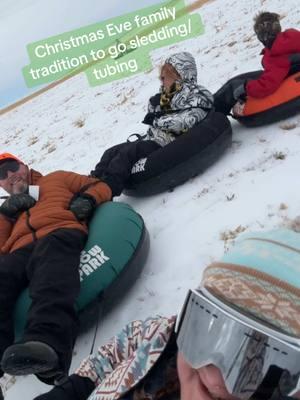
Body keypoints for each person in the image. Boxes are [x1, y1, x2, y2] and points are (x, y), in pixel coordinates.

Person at [34, 228, 300, 400]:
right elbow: (117, 348)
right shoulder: (164, 336)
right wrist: (75, 387)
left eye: (265, 363)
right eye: (208, 326)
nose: (212, 375)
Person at [0, 152, 112, 396]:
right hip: (18, 250)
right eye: (1, 174)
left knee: (51, 275)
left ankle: (46, 343)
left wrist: (89, 200)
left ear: (24, 165)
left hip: (58, 231)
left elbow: (98, 185)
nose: (9, 175)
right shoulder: (7, 211)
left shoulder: (56, 179)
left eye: (12, 166)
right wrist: (7, 213)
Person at [90, 51, 214, 197]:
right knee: (111, 152)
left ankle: (106, 190)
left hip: (169, 142)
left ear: (179, 75)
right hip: (154, 137)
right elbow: (158, 114)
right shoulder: (167, 95)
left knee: (128, 153)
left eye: (164, 78)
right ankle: (90, 183)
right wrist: (154, 107)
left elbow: (189, 119)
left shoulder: (196, 93)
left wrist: (157, 119)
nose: (161, 82)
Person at [214, 12, 300, 116]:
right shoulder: (290, 40)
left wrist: (245, 87)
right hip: (284, 72)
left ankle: (208, 111)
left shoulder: (278, 54)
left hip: (279, 76)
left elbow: (267, 85)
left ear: (263, 37)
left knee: (234, 86)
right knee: (238, 80)